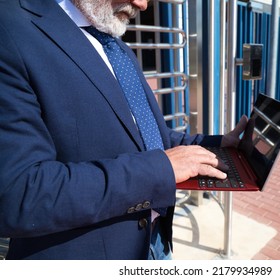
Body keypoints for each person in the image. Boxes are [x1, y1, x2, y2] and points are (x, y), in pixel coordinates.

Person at [0, 0, 248, 260]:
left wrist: (216, 145)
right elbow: (18, 194)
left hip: (155, 243)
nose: (142, 4)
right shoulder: (11, 29)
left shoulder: (115, 45)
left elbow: (147, 134)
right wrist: (161, 169)